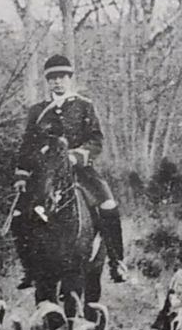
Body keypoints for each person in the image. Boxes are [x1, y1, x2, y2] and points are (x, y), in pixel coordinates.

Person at [12, 54, 128, 286]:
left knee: (108, 206)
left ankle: (117, 262)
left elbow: (96, 139)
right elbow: (28, 144)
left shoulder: (84, 106)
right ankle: (29, 268)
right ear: (48, 82)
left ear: (69, 79)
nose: (57, 82)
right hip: (46, 172)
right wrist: (23, 175)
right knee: (18, 214)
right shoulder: (38, 111)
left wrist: (78, 155)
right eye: (52, 78)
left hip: (81, 171)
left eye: (61, 77)